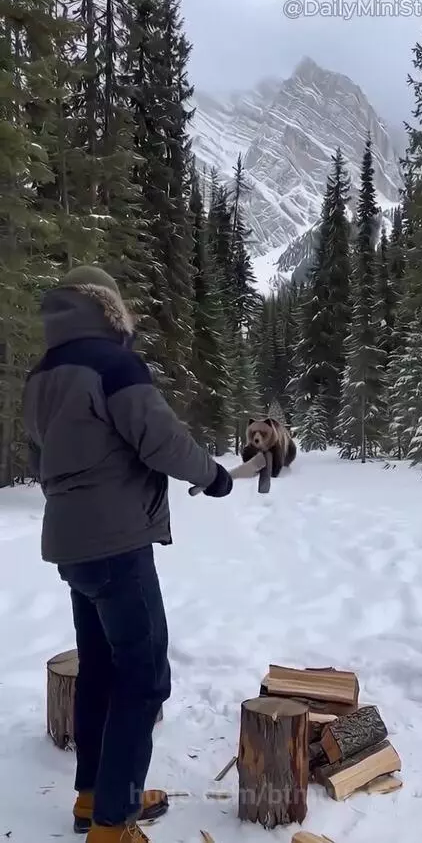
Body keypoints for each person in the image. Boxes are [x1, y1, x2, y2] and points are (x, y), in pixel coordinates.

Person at [22, 266, 233, 843]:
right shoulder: (115, 365)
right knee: (143, 677)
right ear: (110, 311)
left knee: (101, 669)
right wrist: (213, 475)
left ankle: (96, 796)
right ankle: (114, 823)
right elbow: (160, 438)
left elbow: (42, 455)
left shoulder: (41, 374)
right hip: (117, 545)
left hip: (71, 544)